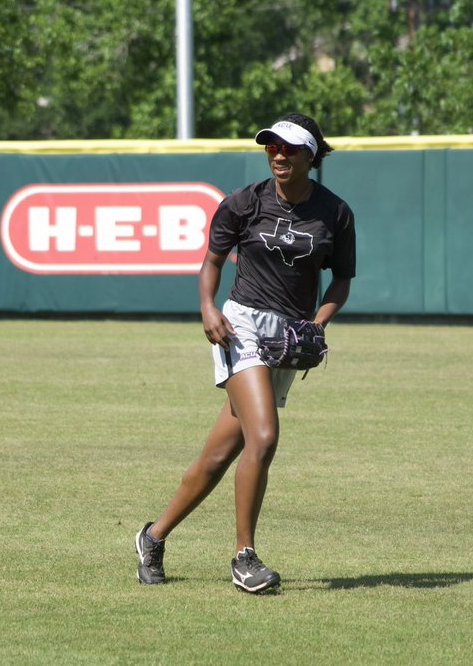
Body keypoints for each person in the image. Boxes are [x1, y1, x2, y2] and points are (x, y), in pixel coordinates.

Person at [134, 112, 356, 594]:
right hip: (242, 327)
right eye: (271, 147)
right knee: (265, 435)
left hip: (290, 334)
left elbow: (341, 279)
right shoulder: (243, 203)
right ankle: (244, 557)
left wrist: (318, 324)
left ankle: (152, 536)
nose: (278, 155)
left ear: (310, 156)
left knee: (220, 455)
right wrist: (207, 308)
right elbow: (211, 262)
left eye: (289, 148)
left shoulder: (334, 213)